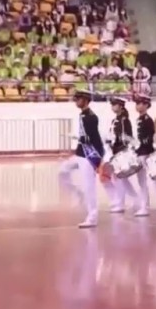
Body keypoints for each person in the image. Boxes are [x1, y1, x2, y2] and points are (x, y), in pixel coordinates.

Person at [58, 89, 104, 228]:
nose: (76, 101)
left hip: (89, 154)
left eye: (78, 99)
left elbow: (91, 139)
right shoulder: (83, 115)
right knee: (63, 171)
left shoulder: (91, 117)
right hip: (81, 152)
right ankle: (78, 193)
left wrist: (76, 137)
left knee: (89, 186)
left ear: (86, 100)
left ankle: (92, 217)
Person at [105, 96, 143, 214]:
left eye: (114, 104)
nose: (112, 107)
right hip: (115, 150)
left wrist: (117, 141)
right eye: (112, 105)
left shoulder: (124, 120)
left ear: (120, 106)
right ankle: (135, 198)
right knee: (121, 178)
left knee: (119, 178)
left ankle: (121, 203)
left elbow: (126, 136)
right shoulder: (115, 120)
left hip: (121, 151)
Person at [131, 94, 156, 216]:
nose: (137, 106)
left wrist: (140, 144)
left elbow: (149, 138)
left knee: (144, 181)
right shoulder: (139, 119)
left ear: (146, 105)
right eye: (137, 103)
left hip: (145, 152)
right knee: (141, 181)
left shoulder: (147, 120)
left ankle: (145, 206)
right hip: (139, 152)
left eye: (140, 103)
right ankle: (144, 205)